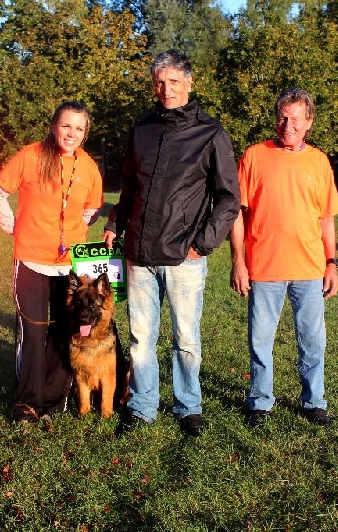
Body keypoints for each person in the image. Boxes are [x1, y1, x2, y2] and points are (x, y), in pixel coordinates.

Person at [103, 50, 240, 436]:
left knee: (186, 338)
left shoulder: (211, 133)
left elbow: (228, 199)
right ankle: (143, 405)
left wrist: (202, 243)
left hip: (185, 256)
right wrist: (115, 222)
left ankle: (187, 406)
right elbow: (130, 186)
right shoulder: (141, 130)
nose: (166, 90)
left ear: (189, 83)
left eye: (174, 82)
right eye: (159, 83)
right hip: (139, 254)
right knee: (141, 337)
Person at [229, 87, 338, 428]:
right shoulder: (254, 156)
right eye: (282, 117)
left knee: (312, 341)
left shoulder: (319, 161)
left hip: (309, 268)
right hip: (264, 268)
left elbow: (326, 217)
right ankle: (261, 401)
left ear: (309, 122)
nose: (287, 124)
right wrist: (238, 261)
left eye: (295, 118)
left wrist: (332, 263)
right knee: (260, 340)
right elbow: (236, 212)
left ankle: (313, 402)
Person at [0, 101, 103, 424]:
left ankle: (54, 399)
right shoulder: (31, 155)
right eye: (66, 125)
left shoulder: (88, 167)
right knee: (33, 331)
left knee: (64, 331)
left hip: (68, 265)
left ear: (85, 133)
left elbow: (91, 208)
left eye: (79, 129)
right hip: (31, 260)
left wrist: (74, 230)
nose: (72, 133)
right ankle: (27, 402)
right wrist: (14, 226)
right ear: (55, 125)